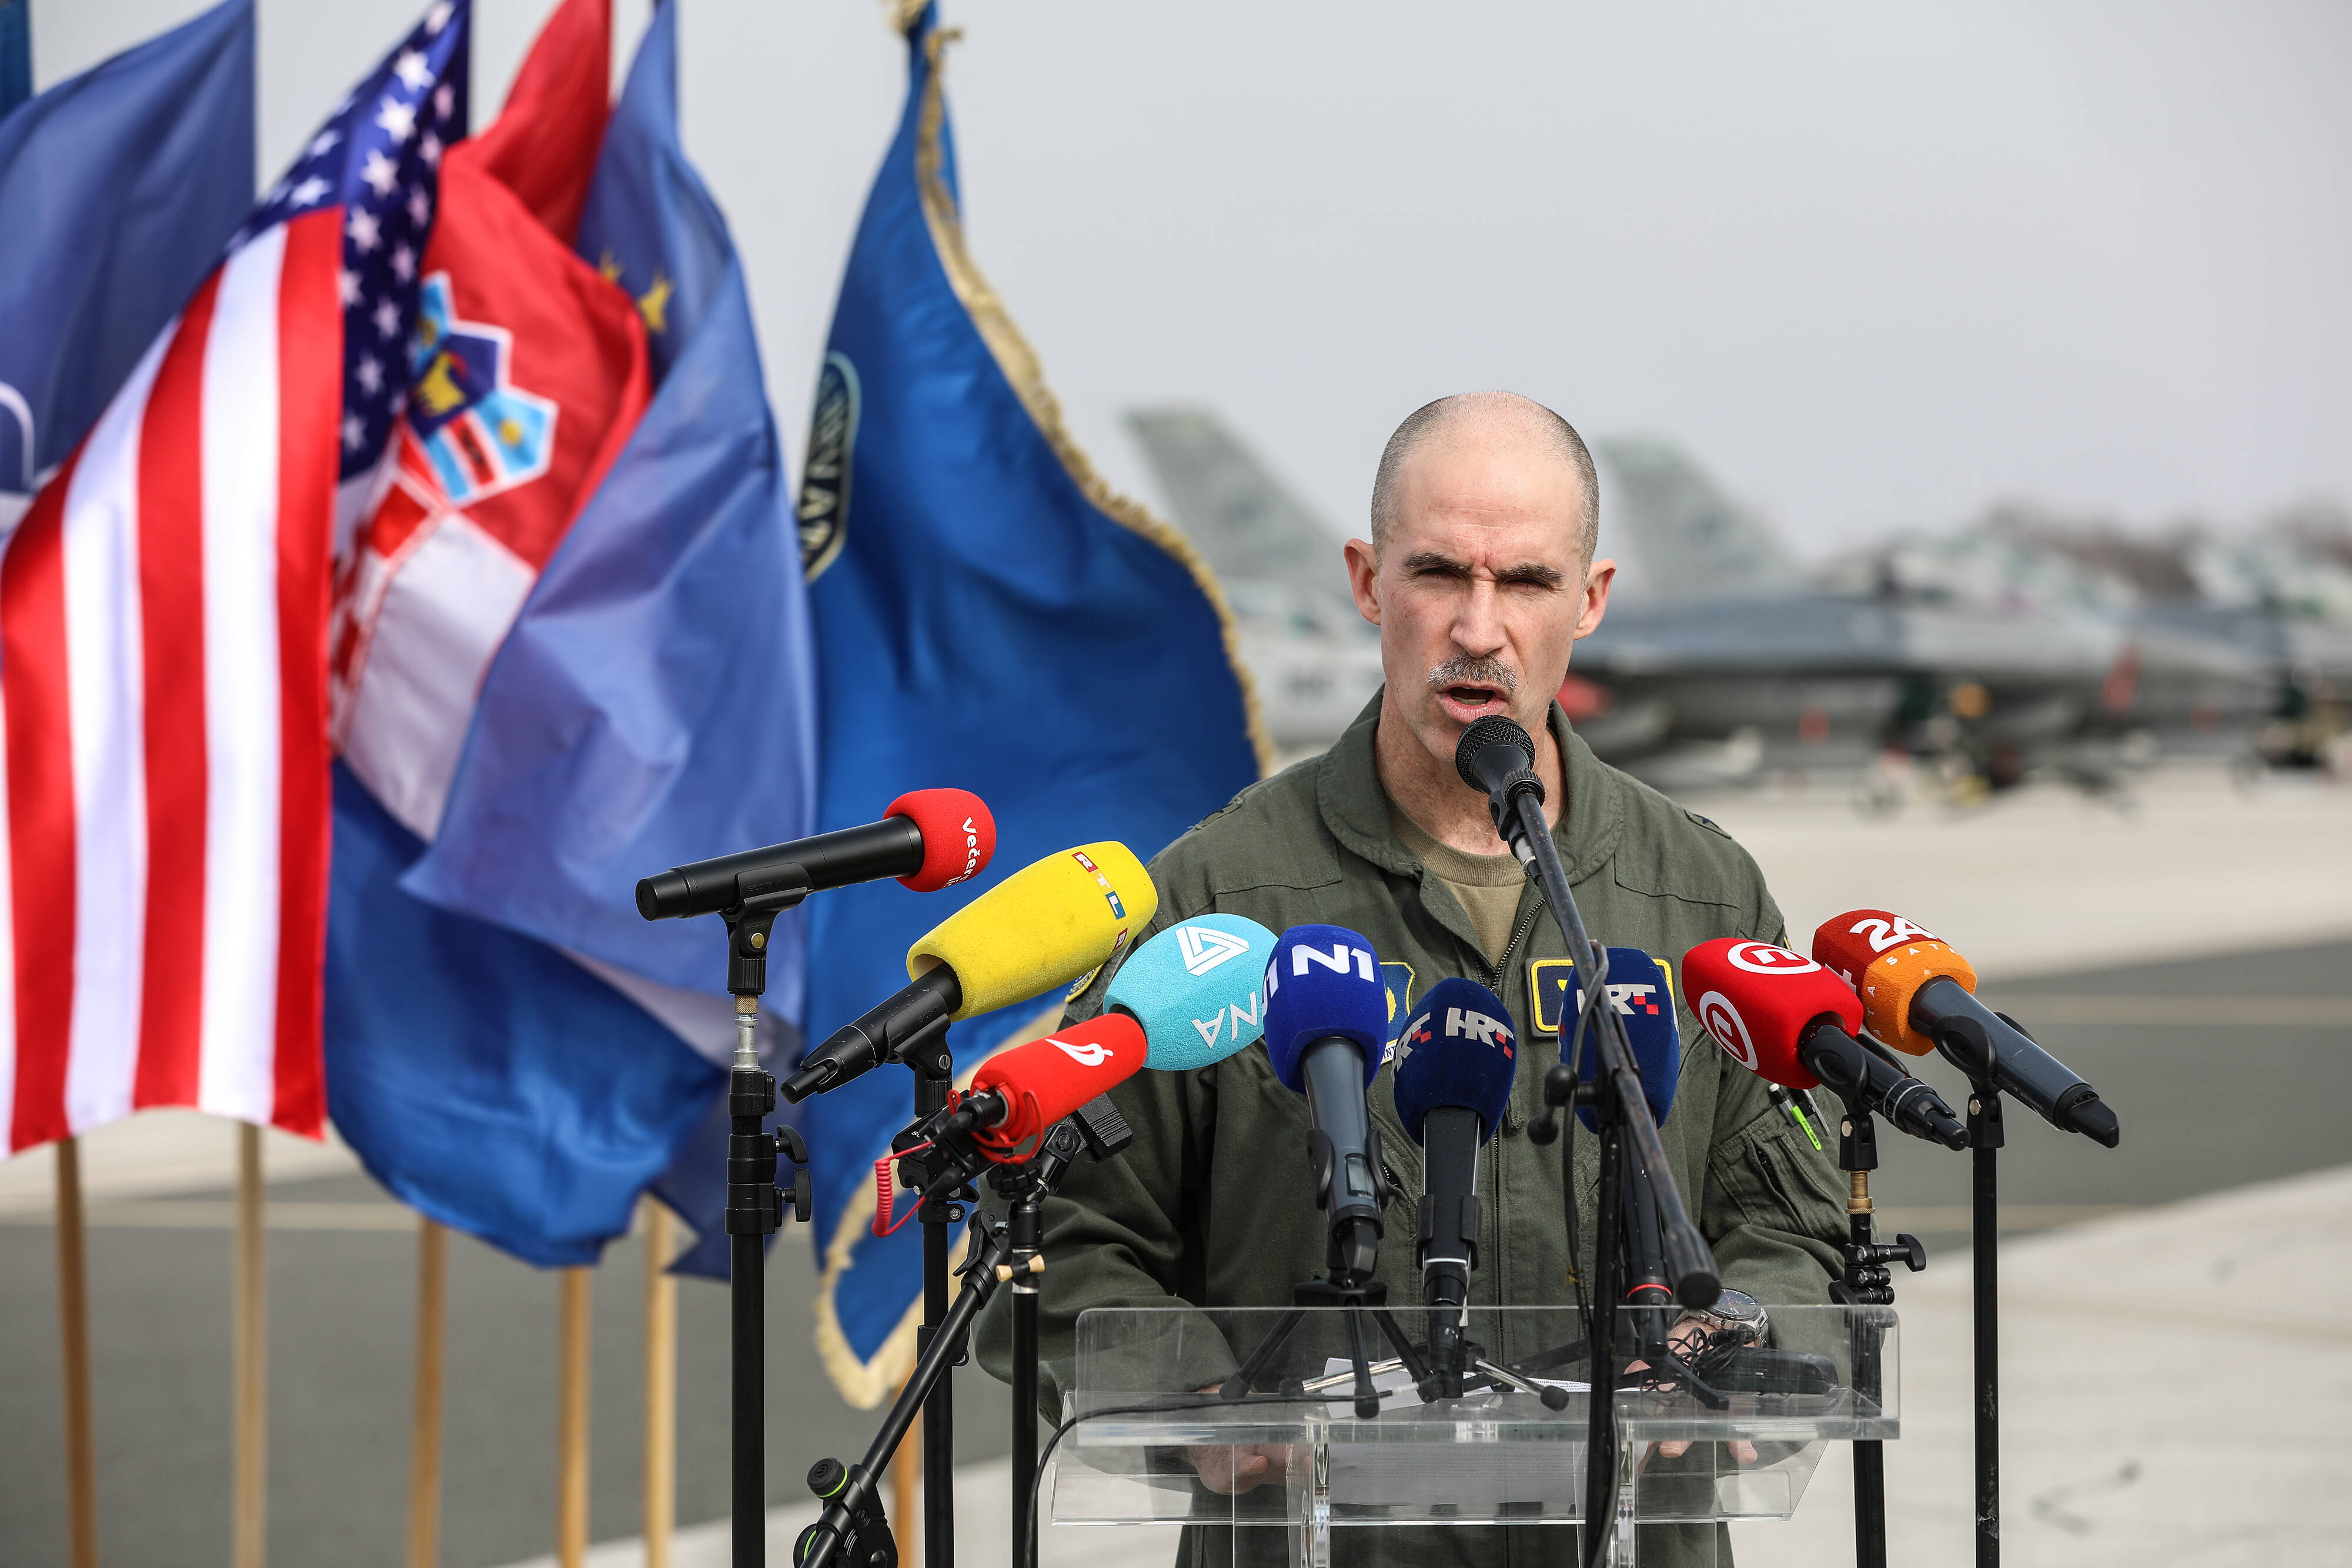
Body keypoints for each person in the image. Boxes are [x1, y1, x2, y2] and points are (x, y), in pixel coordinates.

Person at [976, 392, 1849, 1568]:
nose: (1478, 627)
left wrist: (1736, 1332)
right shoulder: (1221, 896)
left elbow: (1789, 1213)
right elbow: (1050, 1229)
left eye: (1526, 581)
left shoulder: (1696, 893)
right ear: (1365, 580)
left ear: (1588, 600)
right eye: (1439, 571)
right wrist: (1206, 1401)